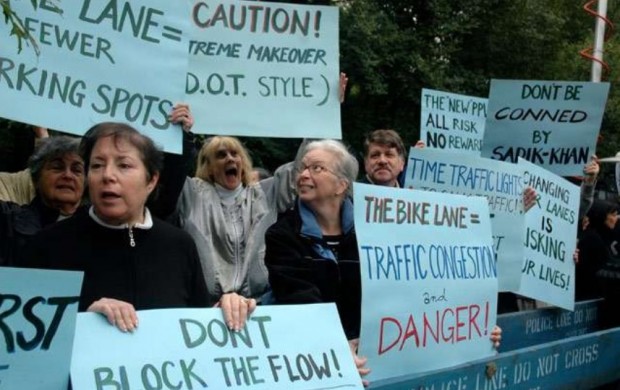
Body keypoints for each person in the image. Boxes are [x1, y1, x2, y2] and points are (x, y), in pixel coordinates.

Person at [27, 122, 208, 332]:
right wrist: (84, 320)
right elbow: (24, 342)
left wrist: (227, 311)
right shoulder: (47, 246)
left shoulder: (180, 246)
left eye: (124, 165)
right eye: (97, 165)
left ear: (151, 180)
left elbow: (198, 328)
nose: (107, 175)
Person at [0, 135, 85, 267]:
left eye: (76, 170)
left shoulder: (101, 232)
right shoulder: (7, 220)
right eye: (57, 167)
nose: (68, 175)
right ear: (36, 179)